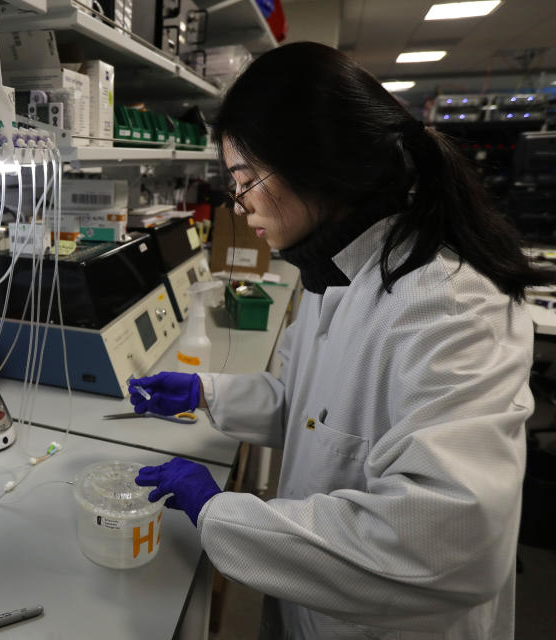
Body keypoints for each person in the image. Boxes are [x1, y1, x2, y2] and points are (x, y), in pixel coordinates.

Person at [130, 41, 550, 640]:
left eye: (246, 180)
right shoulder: (335, 276)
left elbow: (451, 544)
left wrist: (218, 512)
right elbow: (318, 419)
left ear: (317, 166)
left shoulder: (451, 307)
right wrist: (207, 391)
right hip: (321, 613)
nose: (240, 204)